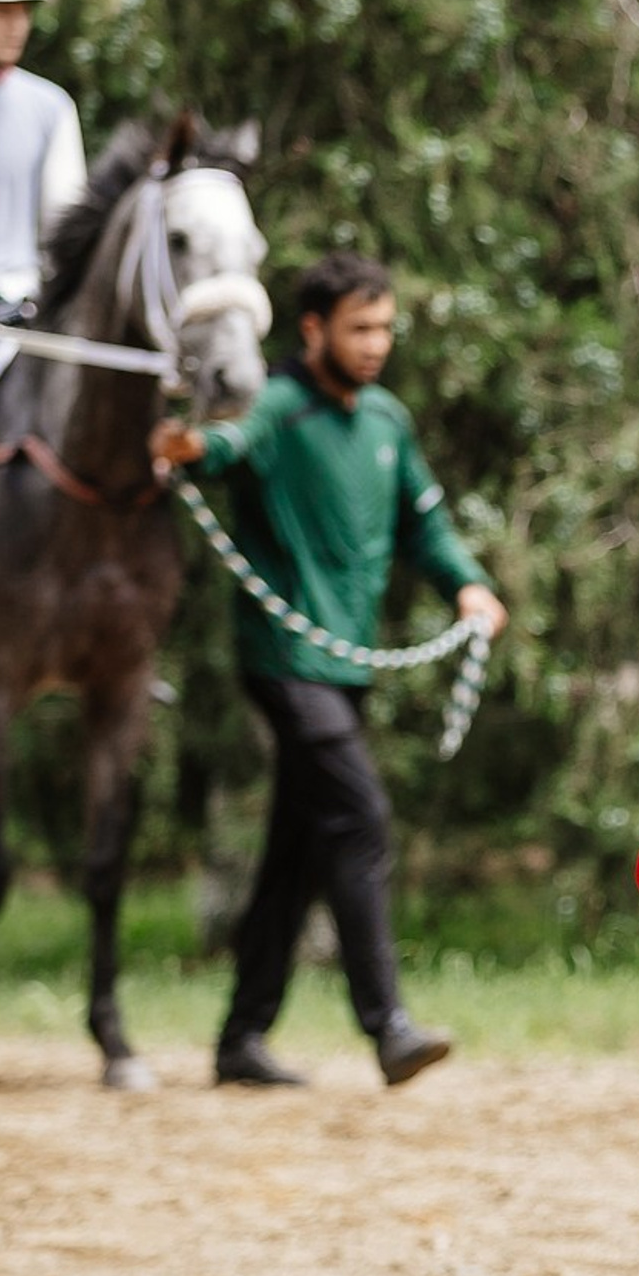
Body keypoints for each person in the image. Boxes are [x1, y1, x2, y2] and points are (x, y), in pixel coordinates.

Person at [149, 253, 506, 1089]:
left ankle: (242, 1039)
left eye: (383, 327)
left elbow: (426, 520)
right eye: (359, 329)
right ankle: (388, 1028)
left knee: (299, 850)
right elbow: (222, 448)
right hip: (285, 660)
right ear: (313, 330)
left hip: (345, 667)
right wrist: (186, 446)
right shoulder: (278, 406)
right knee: (359, 817)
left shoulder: (385, 420)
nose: (376, 344)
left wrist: (467, 584)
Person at [0, 0, 88, 396]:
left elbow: (66, 225)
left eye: (24, 10)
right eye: (2, 9)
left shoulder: (51, 105)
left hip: (29, 302)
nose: (16, 24)